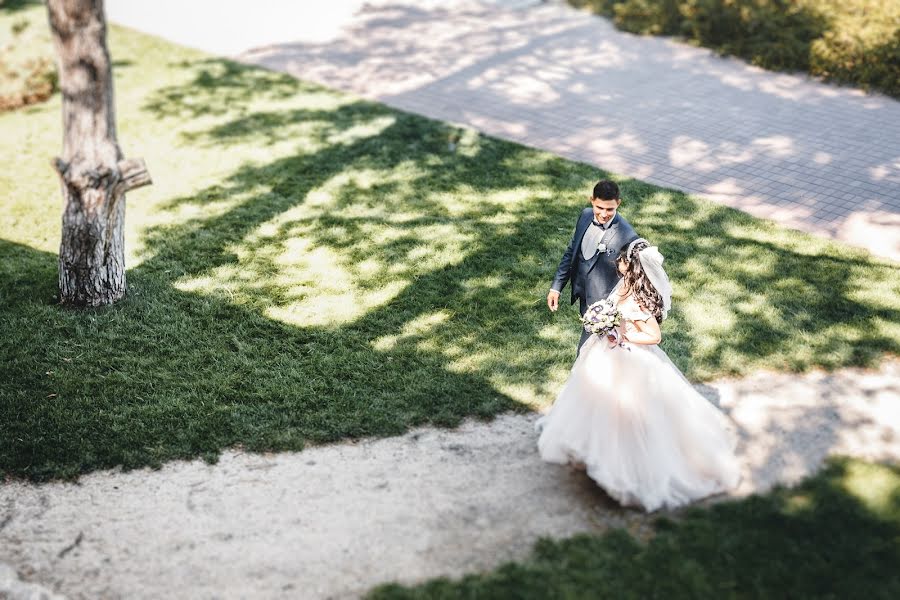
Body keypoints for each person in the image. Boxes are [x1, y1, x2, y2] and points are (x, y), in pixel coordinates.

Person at [537, 239, 741, 512]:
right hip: (610, 353)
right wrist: (603, 323)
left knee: (627, 413)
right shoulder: (624, 286)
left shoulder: (639, 299)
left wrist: (620, 333)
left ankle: (628, 470)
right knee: (597, 403)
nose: (617, 263)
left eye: (622, 260)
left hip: (630, 360)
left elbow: (653, 336)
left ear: (631, 266)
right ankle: (593, 452)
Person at [547, 180, 639, 352]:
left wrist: (613, 311)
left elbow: (632, 278)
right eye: (599, 207)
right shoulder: (585, 215)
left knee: (586, 353)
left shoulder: (626, 235)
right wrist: (556, 288)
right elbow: (571, 252)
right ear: (591, 200)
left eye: (610, 209)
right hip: (583, 295)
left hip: (604, 308)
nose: (604, 214)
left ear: (618, 203)